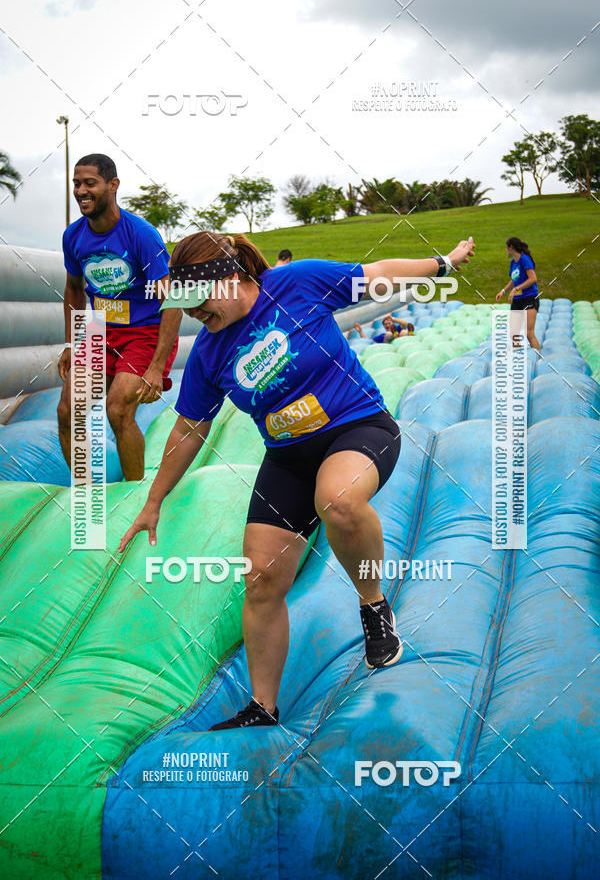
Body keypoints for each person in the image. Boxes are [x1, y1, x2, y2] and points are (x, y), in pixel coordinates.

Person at [119, 232, 475, 729]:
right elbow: (187, 430)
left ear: (231, 278)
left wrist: (442, 261)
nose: (195, 313)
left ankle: (373, 604)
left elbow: (378, 273)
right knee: (261, 578)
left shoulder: (294, 284)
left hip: (357, 426)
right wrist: (154, 499)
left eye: (199, 301)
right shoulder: (207, 355)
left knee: (340, 500)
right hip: (287, 457)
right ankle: (263, 707)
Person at [57, 154, 182, 481]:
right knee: (67, 412)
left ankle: (134, 496)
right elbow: (73, 288)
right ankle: (83, 492)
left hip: (144, 332)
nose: (81, 190)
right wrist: (71, 342)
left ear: (113, 185)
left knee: (118, 409)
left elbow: (172, 299)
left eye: (90, 183)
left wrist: (156, 366)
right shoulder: (73, 237)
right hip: (99, 332)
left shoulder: (141, 234)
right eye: (76, 183)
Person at [495, 236, 540, 351]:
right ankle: (518, 358)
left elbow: (533, 278)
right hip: (518, 300)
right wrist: (503, 291)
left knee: (529, 333)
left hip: (530, 298)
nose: (505, 250)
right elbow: (514, 280)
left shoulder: (524, 259)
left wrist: (515, 289)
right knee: (513, 333)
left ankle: (538, 360)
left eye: (506, 248)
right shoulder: (512, 263)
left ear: (511, 248)